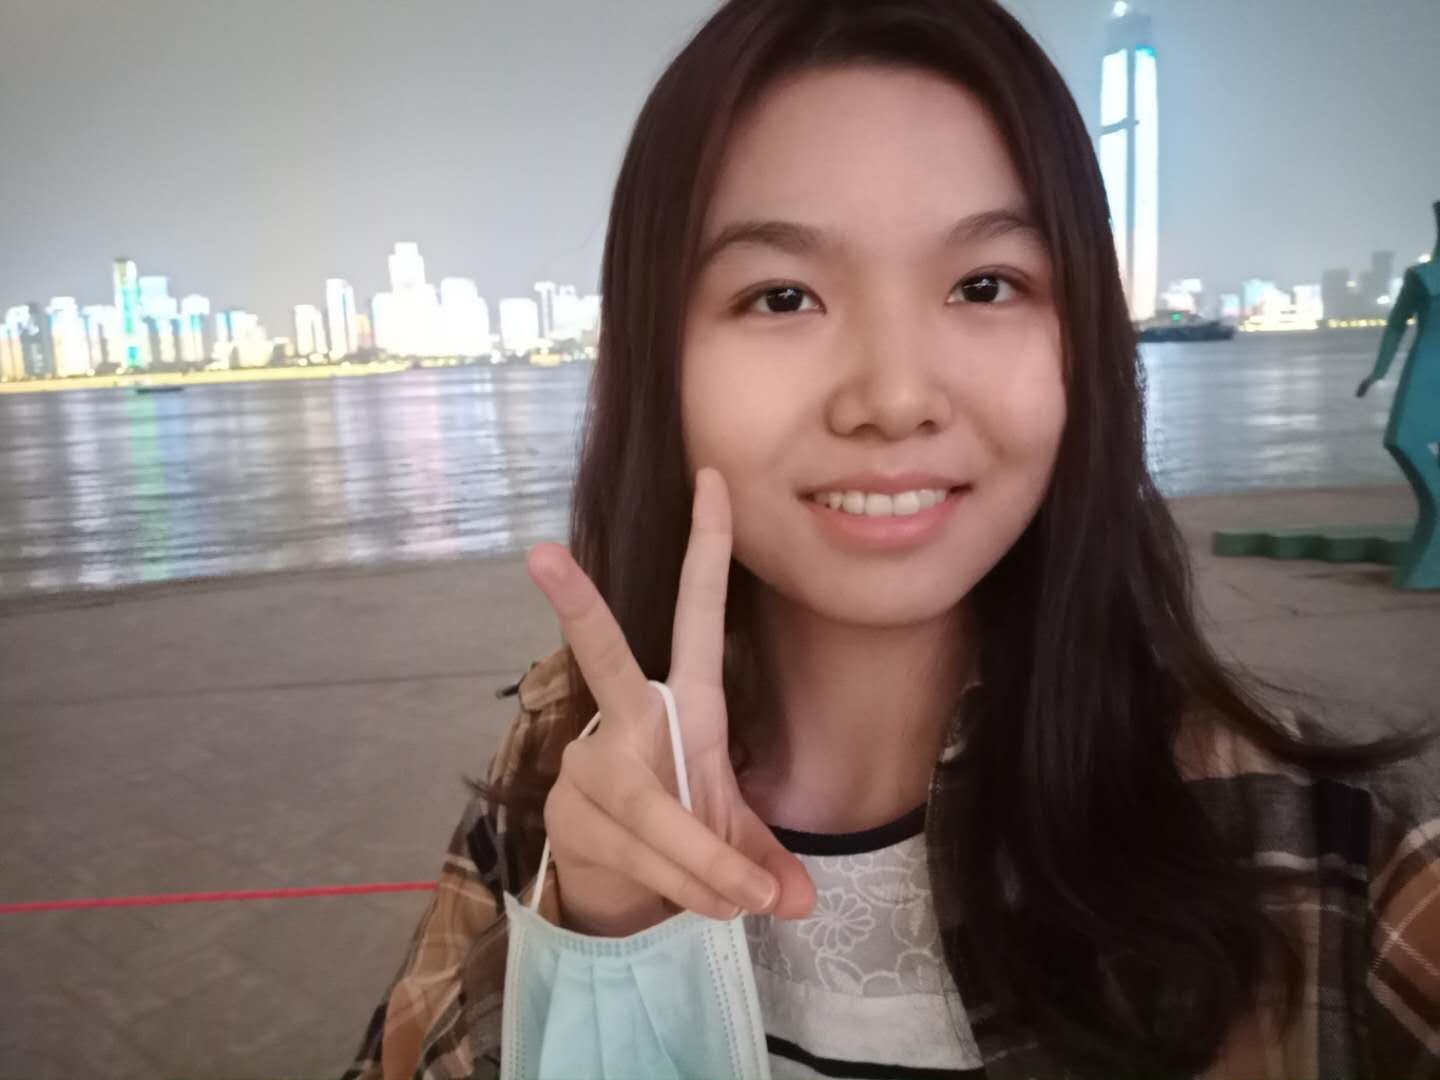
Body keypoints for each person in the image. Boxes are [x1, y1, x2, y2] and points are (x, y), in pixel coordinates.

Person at [344, 2, 1440, 1077]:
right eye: (783, 296)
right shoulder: (566, 771)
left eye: (984, 285)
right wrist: (599, 952)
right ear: (655, 361)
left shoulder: (1327, 861)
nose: (895, 396)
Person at [1357, 200, 1440, 590]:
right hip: (1425, 371)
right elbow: (1395, 325)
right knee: (1404, 440)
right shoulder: (1422, 276)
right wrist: (1379, 371)